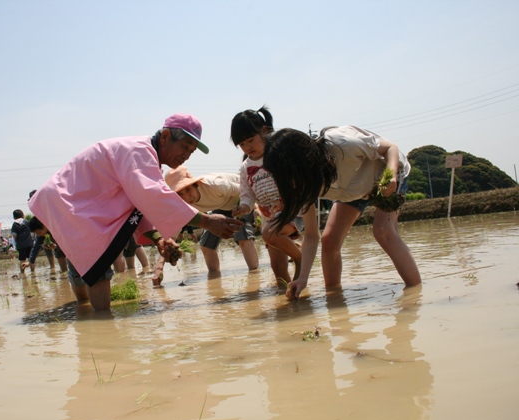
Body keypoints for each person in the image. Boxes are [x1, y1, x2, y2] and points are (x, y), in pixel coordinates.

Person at [28, 113, 242, 310]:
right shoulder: (139, 151)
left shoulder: (147, 159)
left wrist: (159, 239)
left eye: (191, 151)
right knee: (98, 269)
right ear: (166, 136)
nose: (186, 155)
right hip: (71, 204)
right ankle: (103, 328)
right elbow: (153, 196)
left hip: (71, 203)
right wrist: (206, 221)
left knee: (87, 266)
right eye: (185, 147)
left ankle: (85, 317)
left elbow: (139, 204)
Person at [262, 126, 422, 299]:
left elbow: (390, 148)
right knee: (329, 240)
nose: (288, 183)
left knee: (383, 231)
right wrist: (302, 279)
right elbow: (311, 236)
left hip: (385, 176)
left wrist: (391, 175)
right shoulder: (304, 185)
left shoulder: (344, 143)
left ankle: (415, 295)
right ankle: (334, 297)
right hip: (352, 189)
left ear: (302, 163)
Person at [230, 106, 302, 284]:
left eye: (250, 140)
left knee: (270, 233)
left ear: (264, 131)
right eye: (242, 144)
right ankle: (291, 297)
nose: (247, 147)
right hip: (269, 216)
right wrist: (244, 207)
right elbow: (247, 194)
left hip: (291, 210)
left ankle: (300, 258)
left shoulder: (279, 154)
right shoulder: (246, 167)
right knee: (277, 269)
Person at [165, 165, 259, 272]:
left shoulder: (215, 185)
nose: (186, 197)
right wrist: (159, 268)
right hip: (221, 206)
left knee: (242, 238)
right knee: (206, 246)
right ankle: (214, 278)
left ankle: (255, 275)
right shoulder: (182, 206)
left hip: (241, 199)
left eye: (188, 190)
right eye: (180, 194)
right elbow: (170, 238)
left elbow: (245, 190)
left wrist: (254, 208)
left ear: (195, 184)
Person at [11, 209, 34, 274]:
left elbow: (14, 235)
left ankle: (23, 273)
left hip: (21, 245)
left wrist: (16, 242)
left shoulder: (14, 225)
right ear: (23, 215)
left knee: (22, 260)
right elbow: (32, 232)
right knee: (31, 259)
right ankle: (33, 272)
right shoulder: (27, 222)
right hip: (29, 243)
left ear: (14, 217)